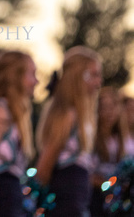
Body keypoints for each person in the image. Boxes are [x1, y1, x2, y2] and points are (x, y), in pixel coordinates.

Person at [35, 46, 102, 216]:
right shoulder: (67, 114)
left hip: (78, 197)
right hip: (65, 199)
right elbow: (45, 164)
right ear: (79, 76)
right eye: (93, 75)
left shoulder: (81, 115)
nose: (98, 82)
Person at [0, 50, 37, 217]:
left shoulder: (13, 114)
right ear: (15, 76)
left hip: (12, 201)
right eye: (32, 74)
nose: (36, 81)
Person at [89, 86, 129, 216]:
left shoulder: (122, 140)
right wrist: (105, 183)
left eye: (112, 107)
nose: (109, 112)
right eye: (104, 107)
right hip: (95, 198)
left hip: (116, 201)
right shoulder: (92, 138)